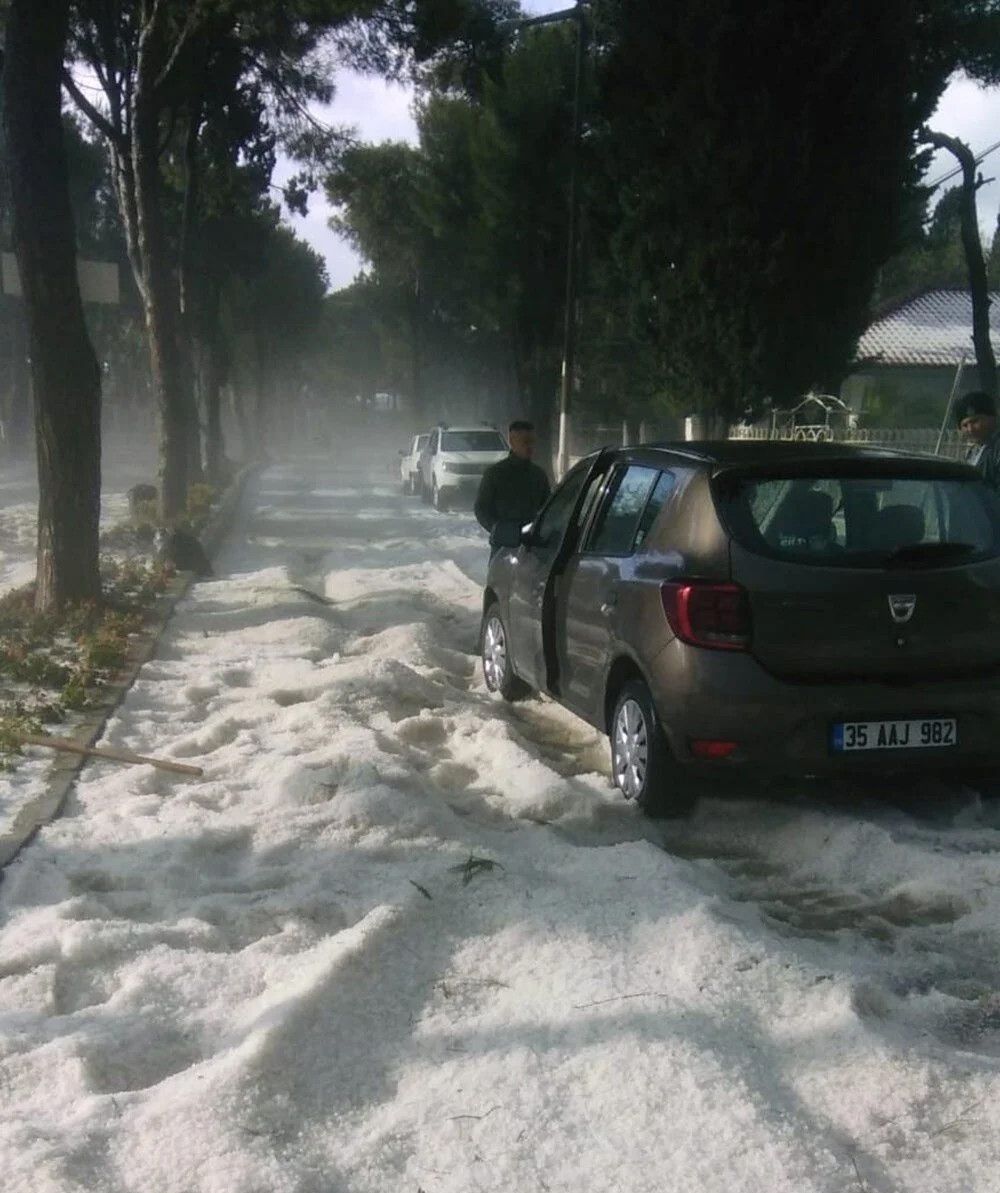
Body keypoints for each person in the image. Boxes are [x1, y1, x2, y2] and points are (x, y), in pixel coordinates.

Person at [475, 419, 551, 554]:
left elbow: (548, 509)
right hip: (503, 547)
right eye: (525, 441)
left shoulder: (538, 475)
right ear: (512, 440)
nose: (529, 446)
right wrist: (500, 530)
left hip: (533, 548)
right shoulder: (496, 474)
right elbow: (481, 509)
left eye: (532, 441)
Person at [956, 390, 1000, 493]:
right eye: (965, 425)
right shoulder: (972, 452)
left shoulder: (996, 449)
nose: (971, 429)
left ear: (992, 418)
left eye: (975, 421)